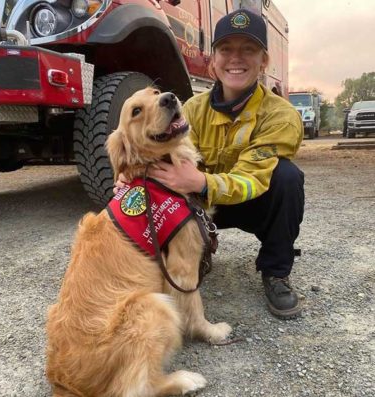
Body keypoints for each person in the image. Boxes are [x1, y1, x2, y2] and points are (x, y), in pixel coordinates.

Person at [116, 9, 304, 319]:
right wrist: (131, 177)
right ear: (212, 59)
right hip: (199, 205)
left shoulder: (281, 115)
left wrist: (201, 183)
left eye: (248, 49)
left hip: (252, 202)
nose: (236, 59)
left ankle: (276, 271)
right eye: (226, 49)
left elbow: (254, 179)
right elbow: (158, 153)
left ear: (264, 61)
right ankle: (176, 262)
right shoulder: (192, 108)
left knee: (287, 178)